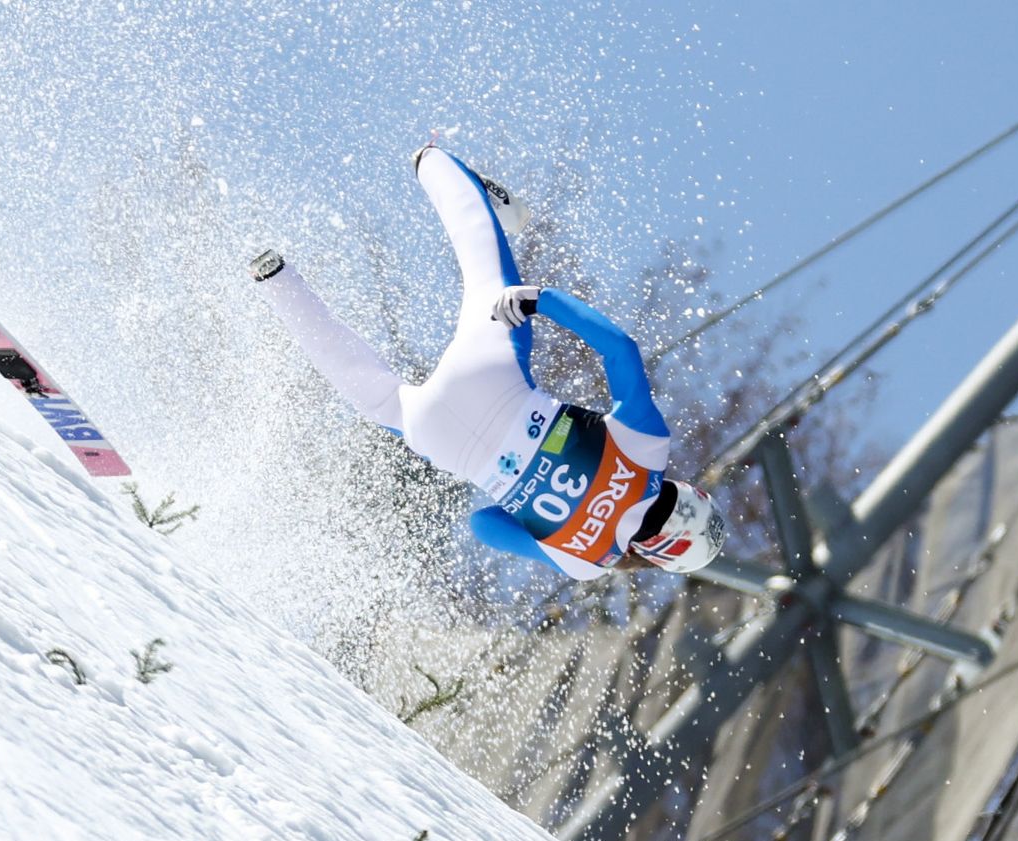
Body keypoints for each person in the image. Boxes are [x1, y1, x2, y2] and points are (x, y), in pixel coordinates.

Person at [249, 144, 727, 580]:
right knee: (371, 393)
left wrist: (542, 301)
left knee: (485, 270)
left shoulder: (649, 455)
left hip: (497, 384)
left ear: (688, 494)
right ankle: (274, 280)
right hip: (448, 442)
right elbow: (484, 525)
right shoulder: (585, 563)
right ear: (655, 555)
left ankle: (434, 164)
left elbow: (620, 349)